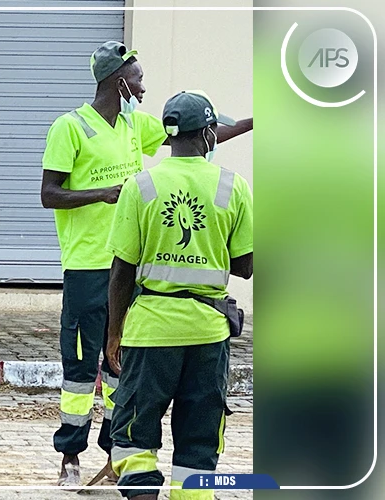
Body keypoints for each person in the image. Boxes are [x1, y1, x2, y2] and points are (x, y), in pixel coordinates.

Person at [40, 41, 251, 486]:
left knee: (122, 364)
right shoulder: (70, 127)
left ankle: (115, 449)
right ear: (120, 81)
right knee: (80, 369)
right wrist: (101, 194)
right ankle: (69, 455)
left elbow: (193, 135)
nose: (143, 86)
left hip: (131, 268)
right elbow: (49, 194)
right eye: (138, 79)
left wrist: (254, 122)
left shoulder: (136, 125)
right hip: (87, 264)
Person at [105, 90, 253, 500]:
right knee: (198, 440)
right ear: (208, 133)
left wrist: (115, 332)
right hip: (207, 333)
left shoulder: (141, 186)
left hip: (150, 332)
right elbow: (244, 266)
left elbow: (121, 271)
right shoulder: (232, 186)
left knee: (134, 435)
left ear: (170, 137)